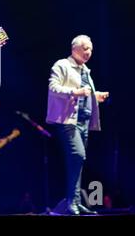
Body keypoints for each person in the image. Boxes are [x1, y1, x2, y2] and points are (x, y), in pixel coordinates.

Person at [46, 35, 109, 215]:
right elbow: (53, 88)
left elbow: (85, 95)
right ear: (74, 48)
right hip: (68, 121)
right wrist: (76, 92)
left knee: (78, 162)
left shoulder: (85, 71)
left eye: (90, 49)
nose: (88, 52)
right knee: (78, 156)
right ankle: (71, 202)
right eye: (85, 48)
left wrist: (95, 96)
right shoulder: (62, 65)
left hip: (84, 122)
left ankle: (76, 202)